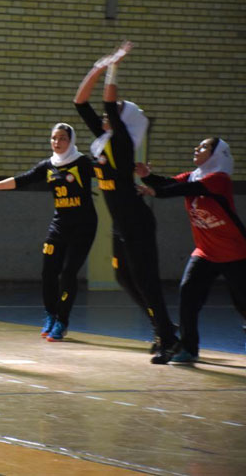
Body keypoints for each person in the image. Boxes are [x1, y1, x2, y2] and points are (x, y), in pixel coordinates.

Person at [73, 41, 178, 364]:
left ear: (123, 121)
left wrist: (114, 67)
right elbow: (80, 102)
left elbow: (106, 102)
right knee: (124, 278)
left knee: (145, 279)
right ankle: (162, 327)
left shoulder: (121, 142)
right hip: (121, 221)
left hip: (136, 220)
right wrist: (98, 67)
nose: (107, 116)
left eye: (114, 113)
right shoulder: (103, 141)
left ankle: (168, 338)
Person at [0, 123, 97, 341]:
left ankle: (62, 321)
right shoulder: (48, 166)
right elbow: (22, 180)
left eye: (62, 138)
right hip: (60, 224)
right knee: (48, 271)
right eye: (54, 138)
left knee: (68, 273)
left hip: (83, 225)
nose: (57, 143)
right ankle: (50, 314)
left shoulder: (82, 163)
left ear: (71, 140)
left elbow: (107, 172)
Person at [136, 138, 246, 363]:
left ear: (218, 155)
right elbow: (168, 183)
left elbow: (182, 189)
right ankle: (188, 348)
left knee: (242, 303)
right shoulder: (193, 175)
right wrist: (147, 175)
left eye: (204, 147)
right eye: (197, 145)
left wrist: (155, 192)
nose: (197, 148)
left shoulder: (219, 179)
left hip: (235, 252)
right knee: (188, 293)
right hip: (205, 251)